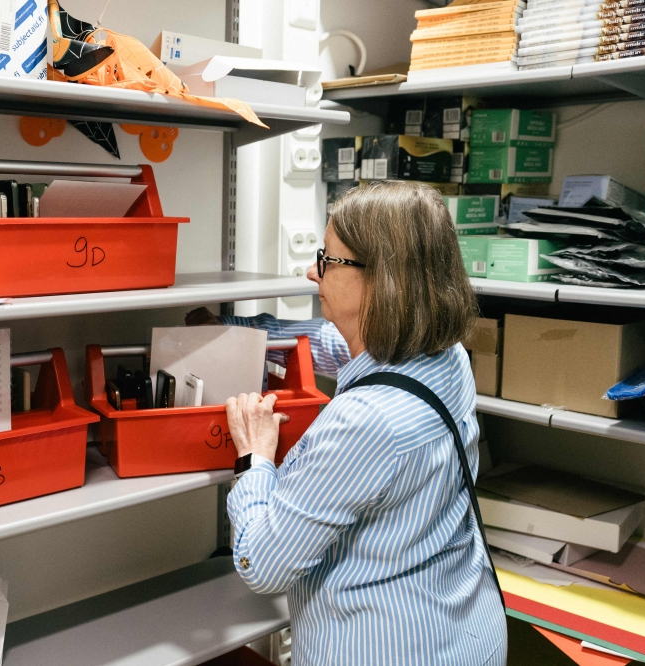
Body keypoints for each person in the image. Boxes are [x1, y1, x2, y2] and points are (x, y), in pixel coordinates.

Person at [186, 181, 507, 665]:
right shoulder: (447, 357)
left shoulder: (363, 422)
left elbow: (263, 566)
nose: (311, 272)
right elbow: (341, 347)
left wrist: (254, 459)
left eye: (328, 260)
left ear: (382, 279)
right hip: (464, 634)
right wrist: (240, 332)